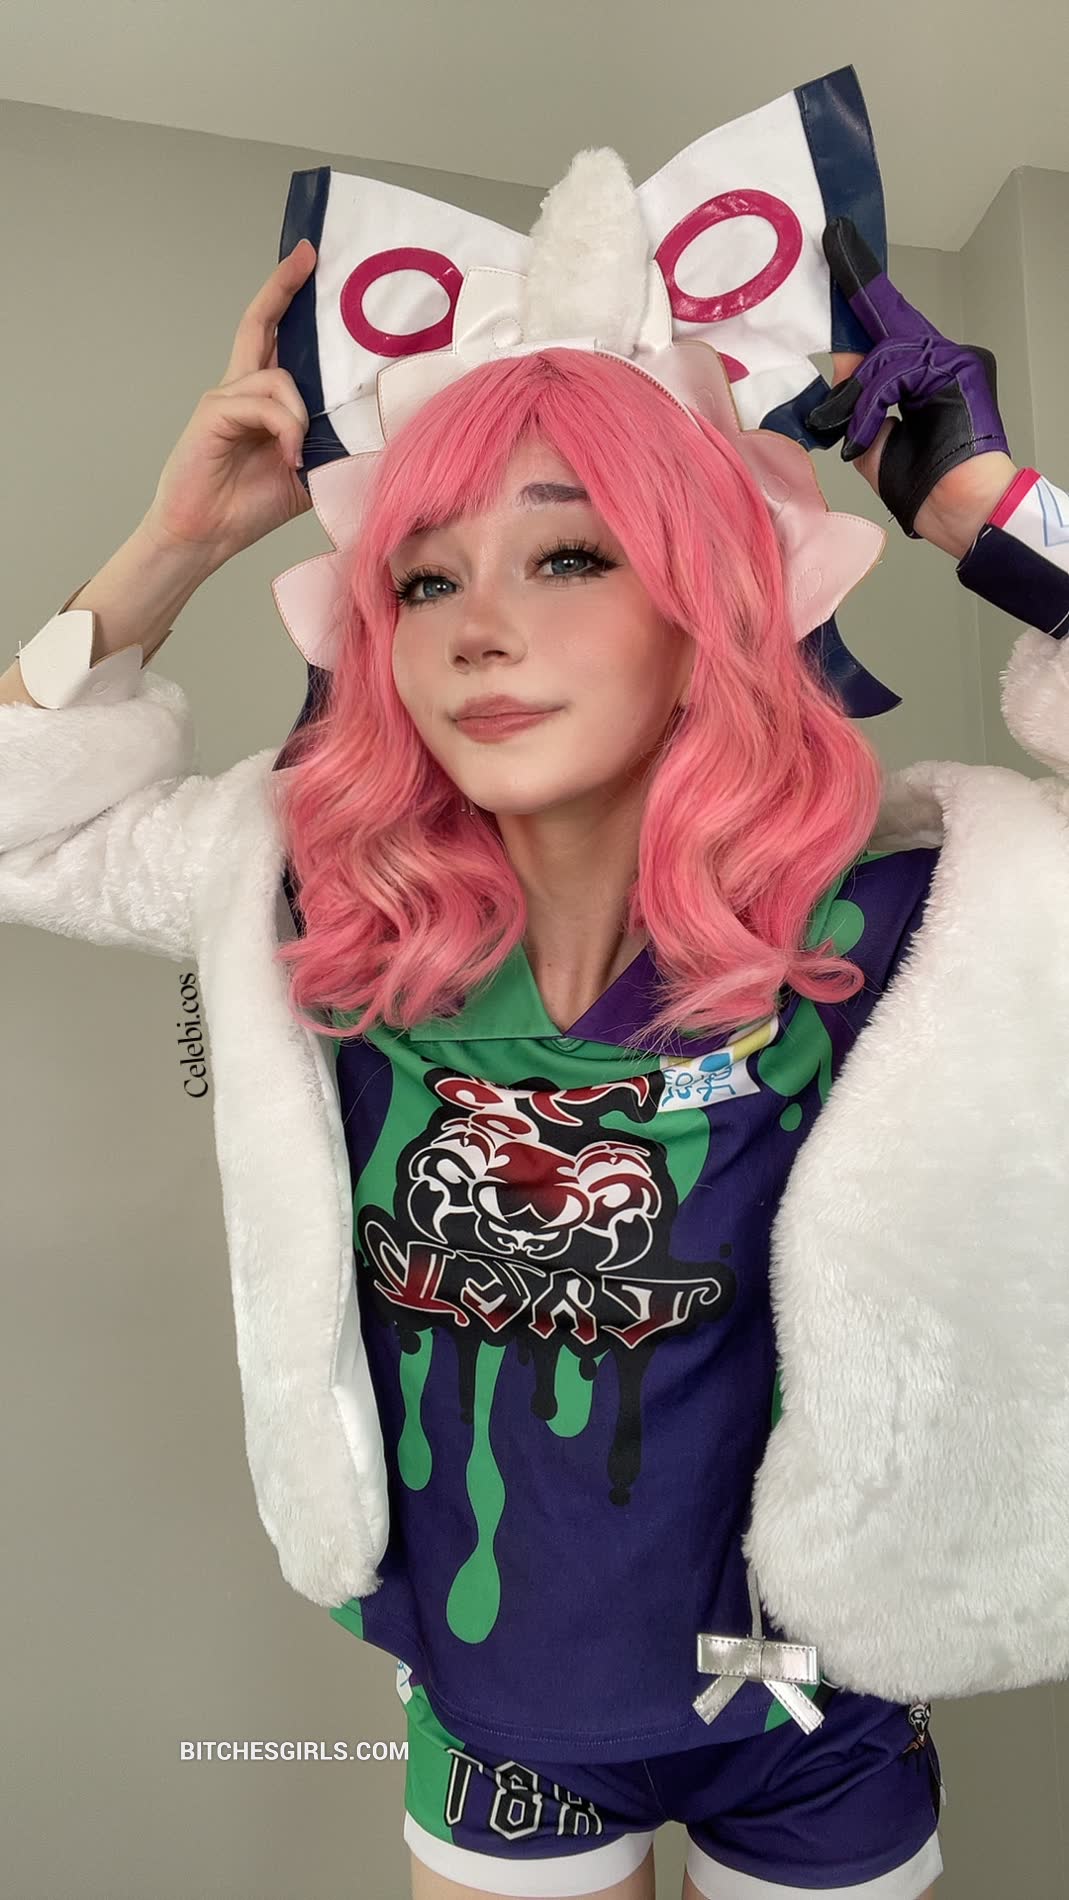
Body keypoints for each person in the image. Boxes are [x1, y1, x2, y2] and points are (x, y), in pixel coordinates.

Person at [3, 202, 1068, 1900]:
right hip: (492, 1703)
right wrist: (171, 545)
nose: (475, 628)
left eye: (569, 557)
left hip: (815, 1707)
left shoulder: (929, 917)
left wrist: (995, 519)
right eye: (424, 579)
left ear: (710, 600)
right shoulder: (329, 904)